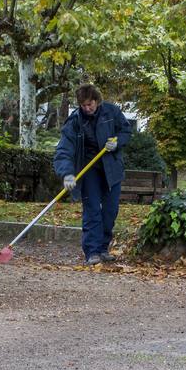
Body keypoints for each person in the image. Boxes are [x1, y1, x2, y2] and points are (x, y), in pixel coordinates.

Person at [54, 84, 133, 265]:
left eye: (90, 104)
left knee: (110, 211)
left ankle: (103, 248)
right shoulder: (74, 122)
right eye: (83, 105)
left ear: (96, 100)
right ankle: (92, 252)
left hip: (111, 169)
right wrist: (66, 173)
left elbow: (126, 131)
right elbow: (64, 150)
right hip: (89, 171)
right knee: (92, 212)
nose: (87, 108)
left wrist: (117, 141)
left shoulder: (111, 113)